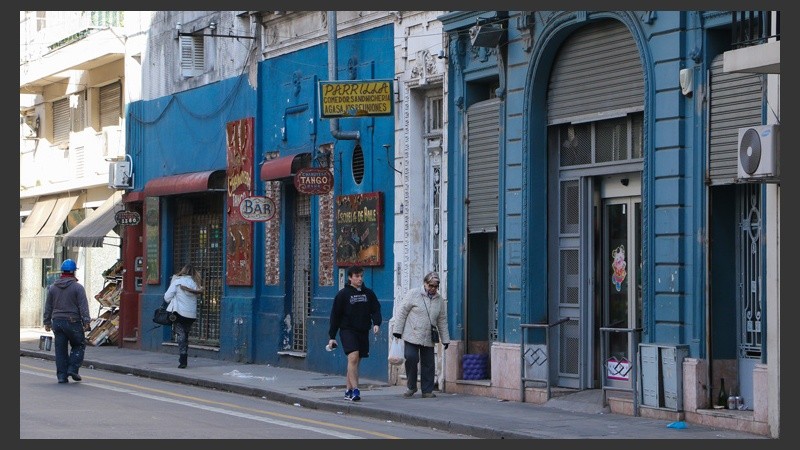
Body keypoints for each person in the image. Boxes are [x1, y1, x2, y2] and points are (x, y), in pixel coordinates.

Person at [392, 271, 450, 398]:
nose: (433, 288)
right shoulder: (413, 294)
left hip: (429, 335)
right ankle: (411, 386)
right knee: (411, 357)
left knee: (428, 363)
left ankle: (427, 390)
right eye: (431, 285)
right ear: (425, 283)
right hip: (411, 333)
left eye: (436, 286)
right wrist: (397, 330)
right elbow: (402, 312)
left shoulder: (439, 300)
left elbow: (442, 320)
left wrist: (445, 339)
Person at [328, 265, 382, 401]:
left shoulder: (369, 293)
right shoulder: (342, 294)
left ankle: (348, 390)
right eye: (357, 276)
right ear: (350, 278)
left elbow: (375, 309)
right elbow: (335, 315)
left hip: (363, 330)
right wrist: (332, 336)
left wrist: (376, 323)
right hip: (347, 330)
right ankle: (356, 390)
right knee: (353, 357)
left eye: (361, 276)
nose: (360, 279)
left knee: (355, 362)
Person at [43, 259, 91, 384]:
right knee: (78, 345)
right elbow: (83, 306)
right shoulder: (78, 288)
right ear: (74, 272)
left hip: (57, 322)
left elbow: (48, 306)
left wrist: (47, 322)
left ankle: (62, 376)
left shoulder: (52, 288)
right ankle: (73, 368)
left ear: (62, 272)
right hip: (73, 321)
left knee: (60, 349)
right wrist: (86, 321)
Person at [164, 263, 202, 368]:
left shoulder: (177, 282)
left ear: (183, 271)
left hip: (179, 313)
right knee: (186, 334)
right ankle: (184, 357)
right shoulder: (195, 284)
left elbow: (167, 297)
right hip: (191, 315)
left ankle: (183, 359)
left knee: (181, 335)